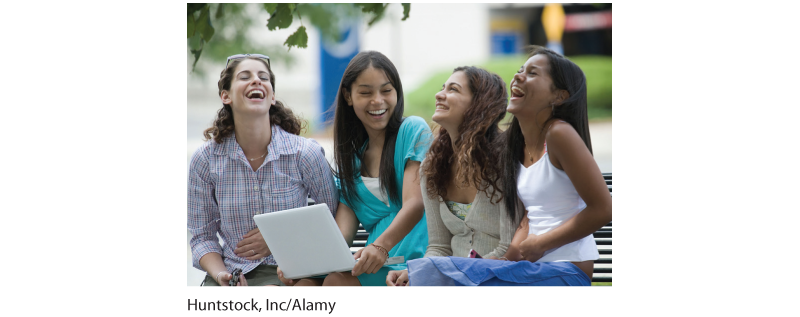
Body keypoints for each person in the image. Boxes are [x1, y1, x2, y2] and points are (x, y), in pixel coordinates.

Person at [405, 46, 612, 286]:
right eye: (520, 70)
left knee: (437, 277)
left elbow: (603, 208)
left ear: (559, 96)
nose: (518, 76)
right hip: (529, 269)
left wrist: (541, 244)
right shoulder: (520, 147)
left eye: (532, 73)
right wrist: (504, 260)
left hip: (565, 269)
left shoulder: (559, 134)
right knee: (431, 276)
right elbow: (528, 218)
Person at [279, 51, 431, 287]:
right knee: (304, 285)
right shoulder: (351, 162)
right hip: (374, 264)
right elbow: (341, 237)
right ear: (349, 97)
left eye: (386, 90)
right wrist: (301, 265)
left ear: (397, 93)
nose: (377, 100)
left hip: (412, 262)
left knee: (335, 284)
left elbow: (415, 204)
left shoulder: (413, 130)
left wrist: (380, 246)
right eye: (365, 92)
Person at [188, 54, 338, 286]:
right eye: (245, 77)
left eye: (263, 77)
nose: (256, 81)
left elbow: (334, 218)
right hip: (231, 274)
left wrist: (282, 238)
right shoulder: (205, 160)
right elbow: (202, 238)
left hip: (294, 275)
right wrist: (223, 278)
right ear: (225, 96)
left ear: (272, 96)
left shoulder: (304, 154)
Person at [385, 66, 515, 286]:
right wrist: (415, 273)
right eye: (442, 88)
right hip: (453, 282)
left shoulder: (505, 161)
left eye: (453, 89)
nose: (439, 94)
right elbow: (439, 247)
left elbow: (508, 248)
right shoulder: (433, 167)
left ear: (479, 104)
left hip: (499, 280)